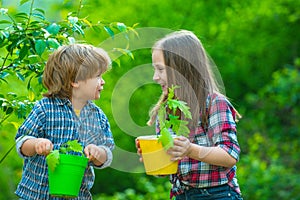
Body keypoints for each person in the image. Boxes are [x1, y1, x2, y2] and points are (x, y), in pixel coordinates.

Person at [136, 30, 243, 200]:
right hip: (182, 194)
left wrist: (190, 149)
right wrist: (155, 158)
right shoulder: (166, 111)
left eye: (160, 69)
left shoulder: (214, 103)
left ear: (182, 68)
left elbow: (229, 154)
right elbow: (169, 168)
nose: (155, 77)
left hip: (217, 194)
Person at [15, 44, 114, 199]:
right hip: (36, 195)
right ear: (75, 80)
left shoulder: (97, 116)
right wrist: (35, 144)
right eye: (98, 76)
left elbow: (107, 155)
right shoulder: (45, 109)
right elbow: (21, 142)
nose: (103, 82)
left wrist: (98, 152)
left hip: (77, 196)